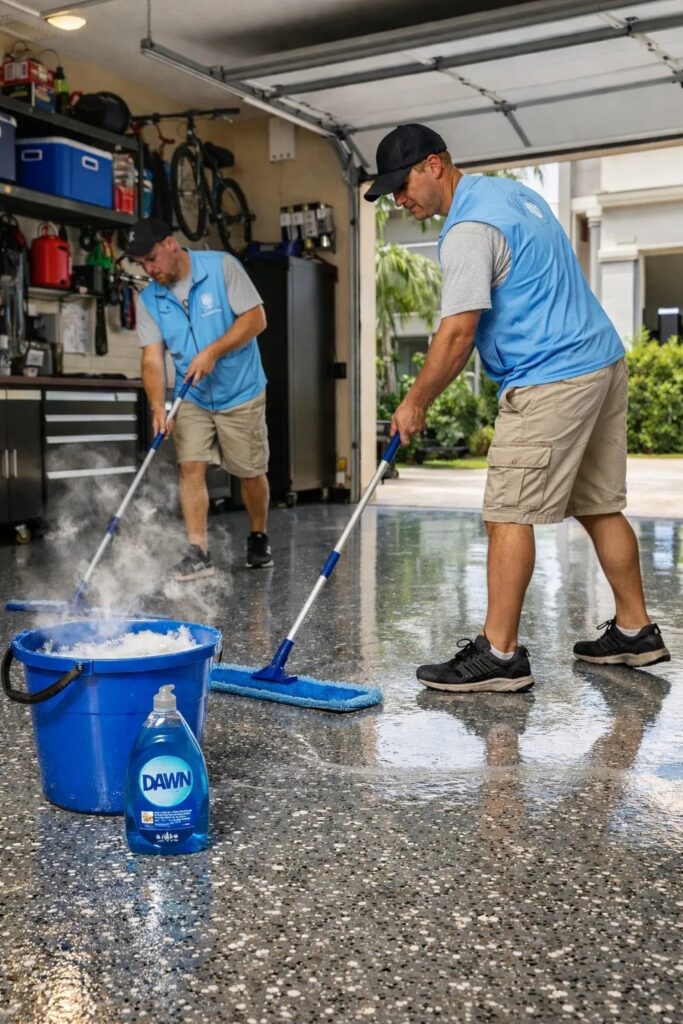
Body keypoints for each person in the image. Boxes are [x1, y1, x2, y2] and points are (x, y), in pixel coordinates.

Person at [364, 123, 670, 693]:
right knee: (600, 504)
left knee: (508, 511)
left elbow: (457, 333)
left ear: (434, 164)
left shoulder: (467, 231)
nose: (400, 200)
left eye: (401, 185)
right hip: (600, 361)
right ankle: (635, 631)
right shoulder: (513, 195)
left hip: (551, 376)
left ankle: (499, 654)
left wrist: (413, 402)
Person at [127, 218, 273, 580]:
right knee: (190, 467)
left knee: (250, 472)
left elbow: (256, 319)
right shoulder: (149, 300)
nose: (149, 268)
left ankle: (258, 535)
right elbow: (152, 359)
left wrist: (213, 351)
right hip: (191, 395)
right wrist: (158, 406)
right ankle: (198, 552)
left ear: (170, 243)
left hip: (241, 389)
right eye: (142, 264)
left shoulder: (221, 267)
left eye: (151, 258)